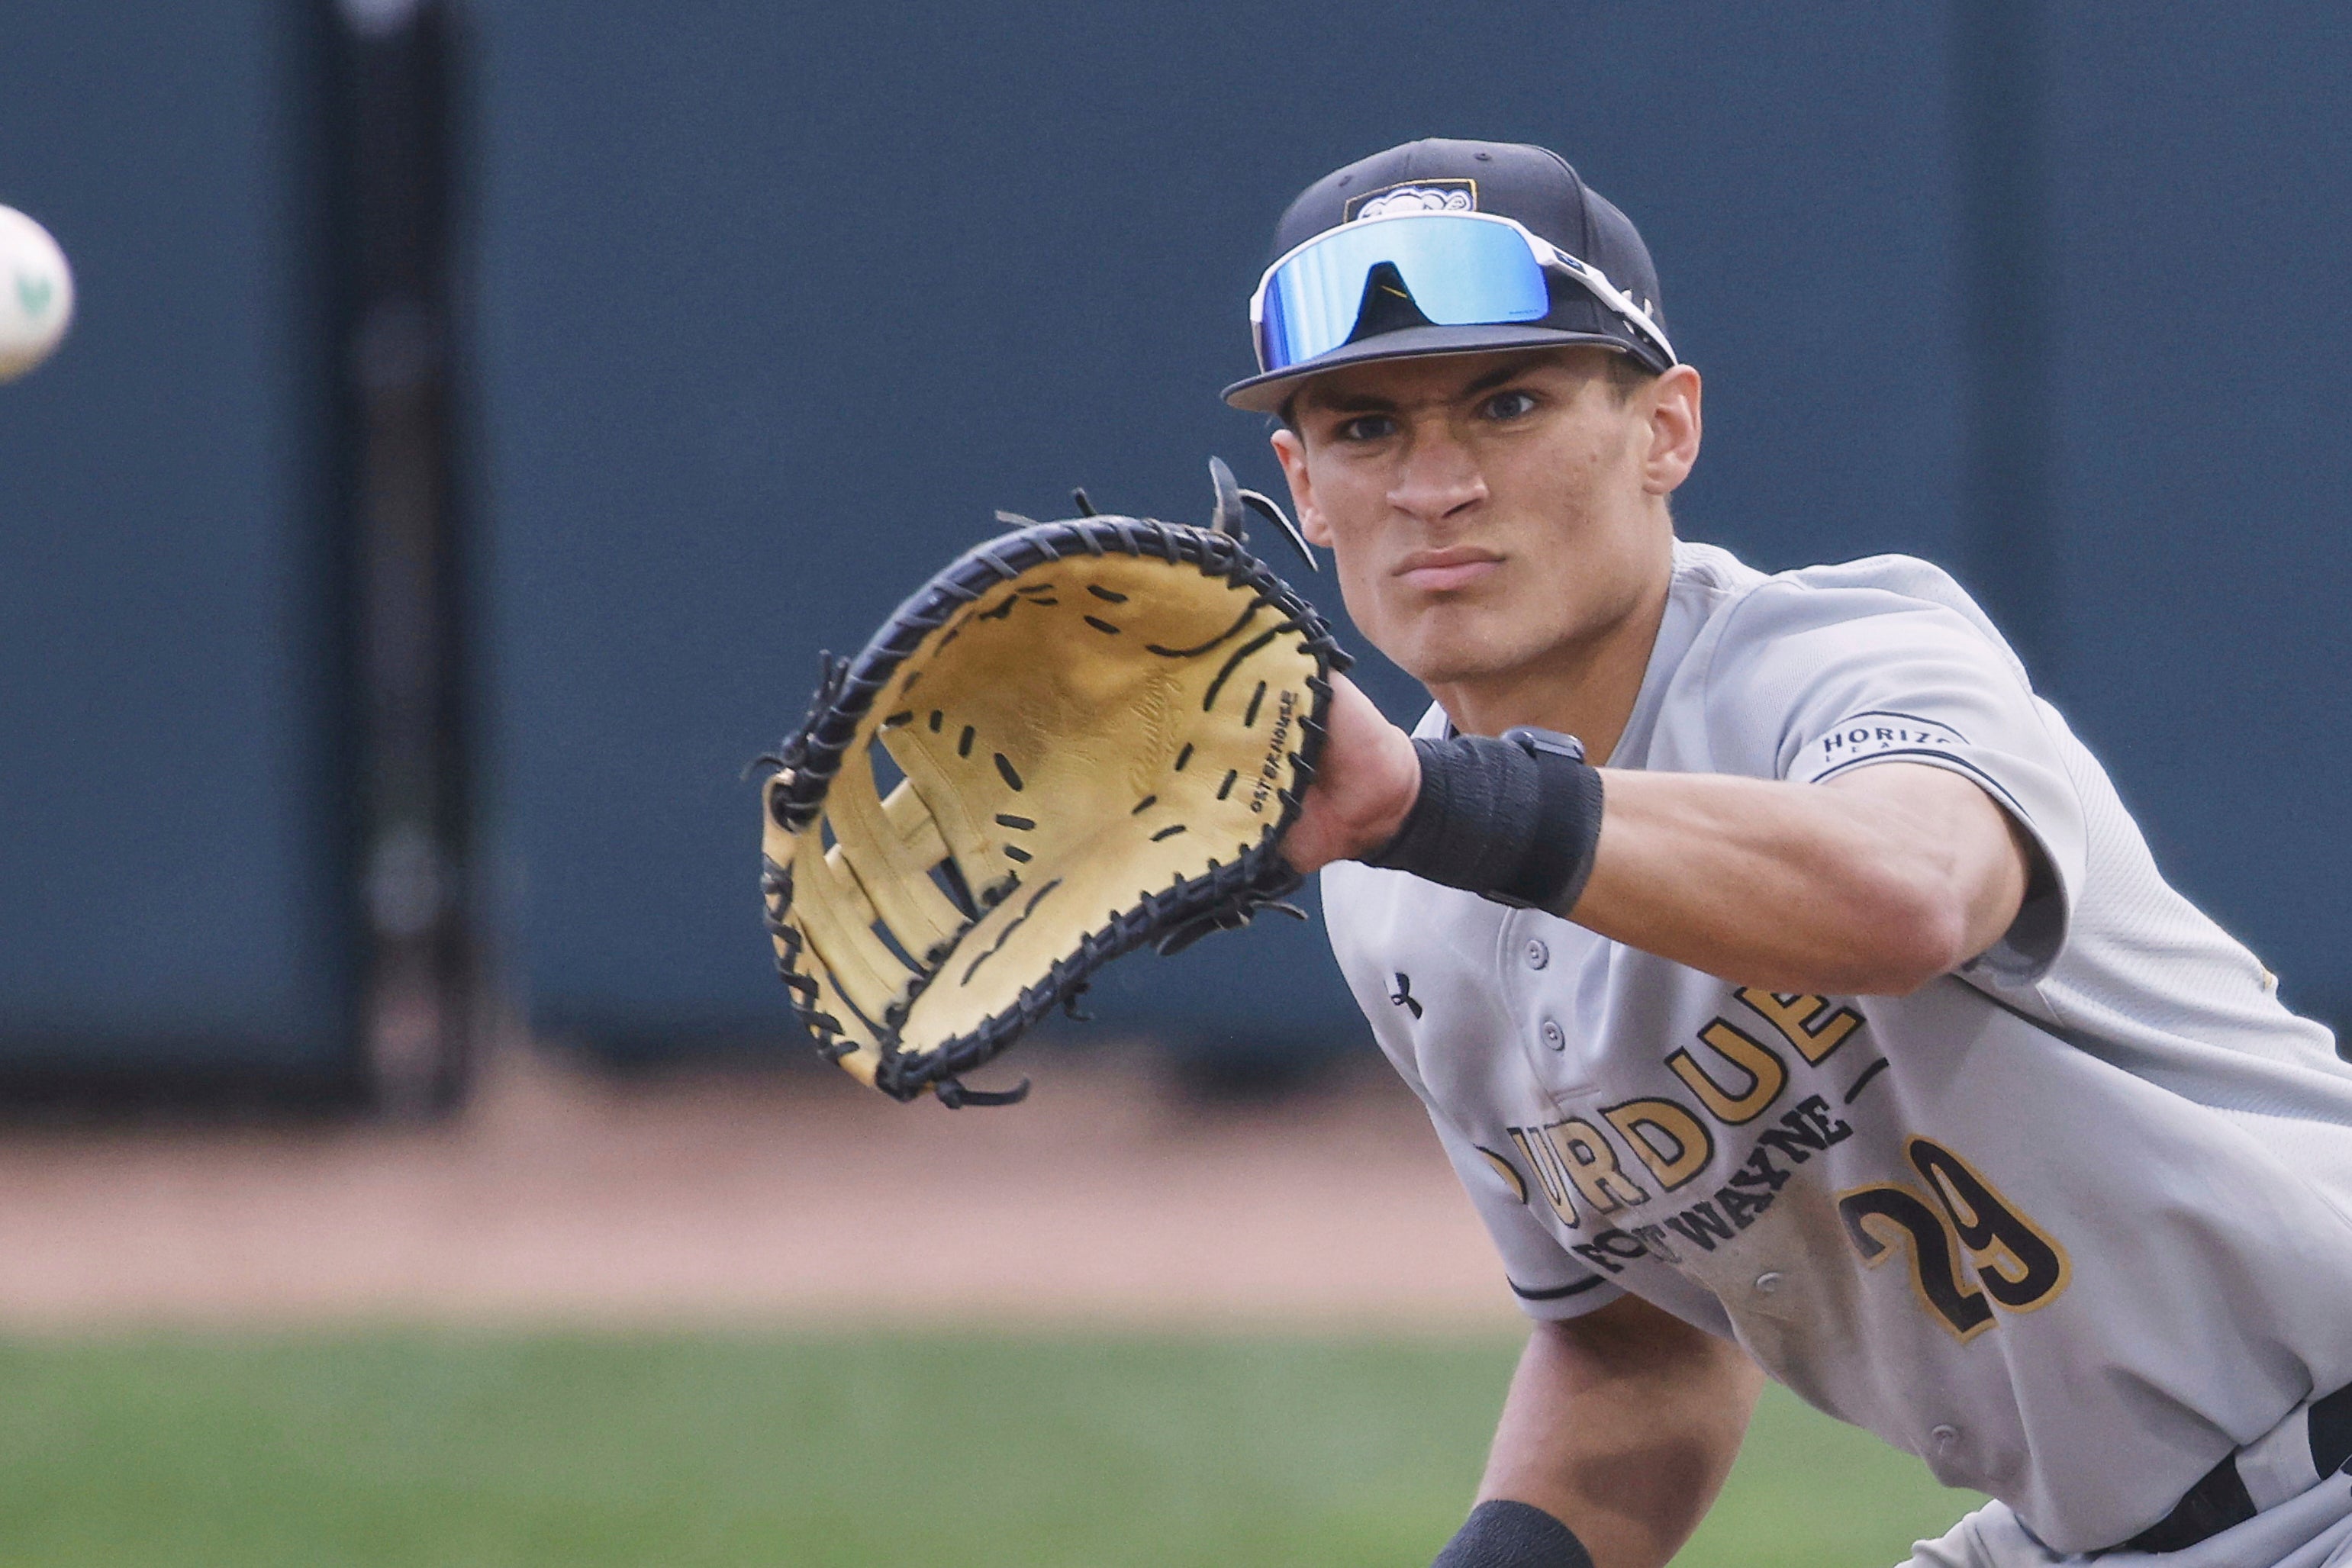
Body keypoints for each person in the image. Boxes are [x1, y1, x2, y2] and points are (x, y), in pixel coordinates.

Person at [1239, 138, 2352, 1568]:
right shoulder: (1394, 889)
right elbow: (1631, 1347)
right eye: (1364, 429)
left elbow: (1907, 895)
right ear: (1304, 486)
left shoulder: (1843, 656)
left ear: (1665, 430)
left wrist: (1425, 808)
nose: (1435, 483)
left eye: (1507, 403)